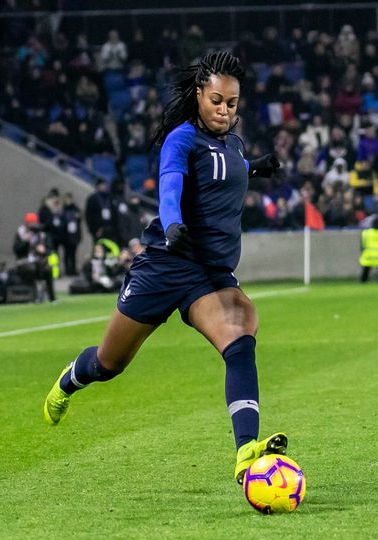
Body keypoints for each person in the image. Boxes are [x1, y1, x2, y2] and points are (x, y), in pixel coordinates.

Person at [43, 51, 286, 485]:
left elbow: (224, 170)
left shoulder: (234, 144)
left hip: (209, 274)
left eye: (231, 103)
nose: (224, 111)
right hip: (165, 264)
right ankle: (69, 380)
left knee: (240, 333)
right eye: (216, 101)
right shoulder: (181, 138)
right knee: (109, 363)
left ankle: (246, 450)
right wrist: (172, 223)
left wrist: (254, 169)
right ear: (198, 95)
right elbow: (172, 181)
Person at [13, 212, 57, 303]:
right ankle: (35, 295)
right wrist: (26, 241)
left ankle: (52, 297)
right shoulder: (21, 233)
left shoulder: (41, 234)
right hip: (24, 261)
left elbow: (50, 248)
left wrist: (44, 250)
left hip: (39, 261)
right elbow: (16, 250)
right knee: (31, 269)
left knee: (48, 269)